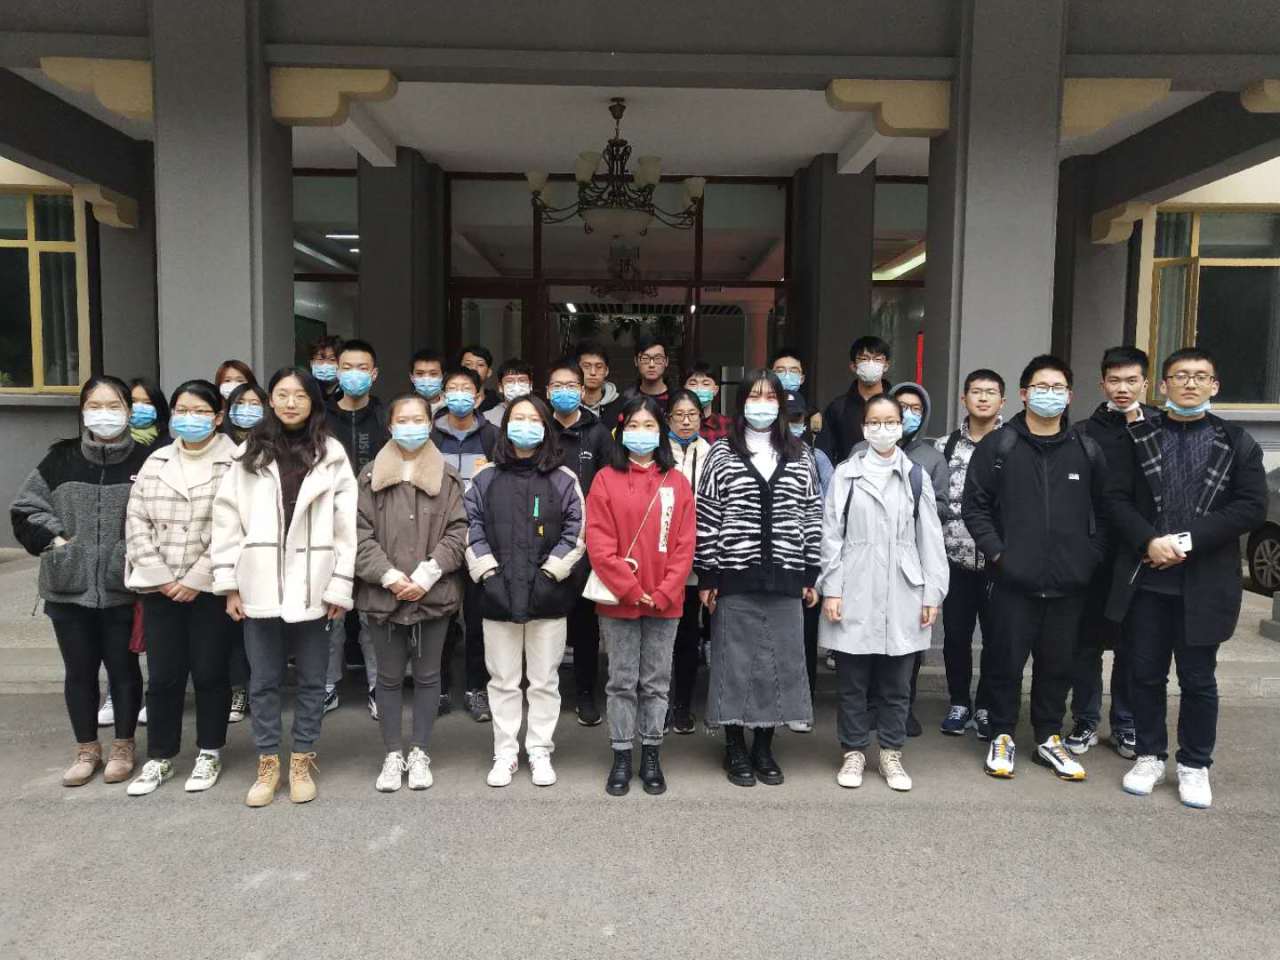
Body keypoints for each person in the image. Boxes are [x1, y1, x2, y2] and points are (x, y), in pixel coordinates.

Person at [1108, 348, 1266, 809]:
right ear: (1163, 386)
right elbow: (1115, 499)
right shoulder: (1138, 436)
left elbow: (1251, 506)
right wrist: (1148, 540)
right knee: (1145, 674)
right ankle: (1150, 755)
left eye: (1200, 377)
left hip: (1205, 581)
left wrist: (1185, 541)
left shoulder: (1236, 442)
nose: (1190, 384)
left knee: (1198, 679)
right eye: (1180, 376)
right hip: (1148, 578)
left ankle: (1195, 764)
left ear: (1214, 386)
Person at [211, 367, 357, 807]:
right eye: (282, 394)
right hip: (259, 583)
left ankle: (301, 760)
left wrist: (340, 584)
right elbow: (226, 522)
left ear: (313, 402)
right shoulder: (247, 453)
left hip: (315, 584)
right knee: (263, 681)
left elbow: (346, 526)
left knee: (312, 680)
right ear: (270, 401)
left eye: (300, 395)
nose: (291, 403)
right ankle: (268, 761)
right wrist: (229, 584)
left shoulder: (331, 453)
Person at [962, 355, 1108, 782]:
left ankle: (1048, 736)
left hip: (1068, 583)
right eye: (1041, 387)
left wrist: (1089, 557)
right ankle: (1002, 733)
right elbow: (975, 507)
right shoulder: (999, 446)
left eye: (1058, 388)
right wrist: (999, 555)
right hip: (1012, 581)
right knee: (1004, 662)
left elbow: (1105, 510)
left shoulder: (1086, 448)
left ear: (1070, 396)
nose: (1050, 395)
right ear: (1024, 394)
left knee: (1057, 665)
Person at [11, 375, 150, 787]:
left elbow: (160, 514)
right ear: (83, 411)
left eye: (113, 406)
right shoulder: (61, 459)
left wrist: (130, 551)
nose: (104, 414)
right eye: (95, 405)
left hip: (123, 586)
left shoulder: (147, 461)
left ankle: (123, 745)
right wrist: (57, 541)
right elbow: (25, 508)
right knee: (79, 671)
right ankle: (87, 748)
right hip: (67, 586)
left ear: (129, 411)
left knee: (124, 670)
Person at [695, 369, 822, 787]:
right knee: (734, 664)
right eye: (754, 396)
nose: (762, 404)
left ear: (781, 404)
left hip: (786, 574)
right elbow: (707, 515)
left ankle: (764, 746)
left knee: (776, 664)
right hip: (733, 575)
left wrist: (810, 571)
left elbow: (812, 513)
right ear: (741, 403)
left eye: (770, 397)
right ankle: (734, 745)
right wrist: (708, 574)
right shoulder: (721, 453)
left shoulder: (800, 453)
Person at [820, 394, 948, 792]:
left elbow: (930, 539)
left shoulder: (915, 476)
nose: (883, 429)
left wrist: (931, 594)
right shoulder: (846, 474)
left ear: (903, 424)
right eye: (874, 422)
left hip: (903, 589)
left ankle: (891, 752)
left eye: (891, 421)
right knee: (853, 683)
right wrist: (832, 589)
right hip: (855, 586)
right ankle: (854, 751)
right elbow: (831, 536)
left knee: (897, 683)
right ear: (864, 427)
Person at [463, 395, 586, 789]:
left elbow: (576, 532)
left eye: (534, 419)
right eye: (518, 418)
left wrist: (550, 575)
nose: (526, 425)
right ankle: (505, 752)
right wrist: (488, 574)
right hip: (497, 593)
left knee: (544, 680)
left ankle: (539, 749)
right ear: (505, 426)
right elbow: (469, 527)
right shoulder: (484, 478)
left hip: (548, 595)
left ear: (546, 428)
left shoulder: (564, 479)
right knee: (502, 679)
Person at [123, 379, 237, 796]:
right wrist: (163, 577)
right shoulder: (156, 461)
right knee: (164, 676)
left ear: (218, 417)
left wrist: (195, 578)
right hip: (160, 587)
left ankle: (209, 750)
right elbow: (136, 521)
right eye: (182, 411)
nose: (190, 419)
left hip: (210, 586)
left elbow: (236, 527)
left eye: (200, 411)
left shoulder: (237, 462)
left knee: (210, 672)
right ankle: (160, 756)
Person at [355, 393, 469, 793]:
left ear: (430, 424)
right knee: (388, 679)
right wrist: (388, 576)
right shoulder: (369, 477)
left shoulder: (448, 477)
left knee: (428, 676)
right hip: (383, 595)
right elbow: (357, 533)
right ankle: (392, 753)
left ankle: (419, 751)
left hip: (432, 593)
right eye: (402, 420)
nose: (410, 426)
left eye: (418, 419)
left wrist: (426, 574)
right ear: (389, 426)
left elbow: (458, 531)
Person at [586, 395, 696, 796]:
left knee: (655, 682)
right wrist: (631, 589)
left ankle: (651, 753)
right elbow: (599, 542)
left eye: (649, 426)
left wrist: (665, 590)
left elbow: (685, 543)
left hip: (666, 601)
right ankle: (620, 754)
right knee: (620, 680)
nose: (641, 433)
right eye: (633, 426)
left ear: (661, 432)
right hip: (619, 600)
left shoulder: (677, 482)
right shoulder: (605, 479)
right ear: (621, 431)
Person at [1064, 347, 1155, 759]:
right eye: (1115, 381)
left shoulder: (1158, 428)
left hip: (1142, 554)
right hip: (1094, 554)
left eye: (1131, 381)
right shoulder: (1084, 432)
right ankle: (1085, 719)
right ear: (1102, 384)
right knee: (1085, 643)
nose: (1123, 389)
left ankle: (1125, 722)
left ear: (1145, 383)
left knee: (1131, 643)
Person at [850, 381, 950, 737]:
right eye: (900, 409)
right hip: (866, 564)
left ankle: (900, 714)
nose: (905, 416)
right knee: (865, 644)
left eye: (914, 410)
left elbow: (939, 512)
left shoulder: (929, 460)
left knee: (904, 648)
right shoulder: (857, 455)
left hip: (907, 564)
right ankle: (867, 715)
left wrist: (908, 508)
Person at [934, 369, 1005, 739]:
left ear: (1002, 401)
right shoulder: (943, 447)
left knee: (997, 638)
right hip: (954, 559)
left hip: (999, 562)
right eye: (976, 391)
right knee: (956, 636)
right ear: (964, 399)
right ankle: (959, 702)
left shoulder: (1013, 443)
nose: (983, 398)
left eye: (990, 392)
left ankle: (988, 707)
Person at [545, 357, 614, 726]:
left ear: (582, 388)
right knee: (547, 620)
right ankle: (547, 692)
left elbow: (609, 485)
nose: (565, 392)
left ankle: (586, 693)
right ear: (547, 391)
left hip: (587, 540)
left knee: (586, 625)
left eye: (571, 386)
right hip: (545, 539)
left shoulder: (597, 433)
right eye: (557, 386)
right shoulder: (539, 428)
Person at [323, 338, 388, 718]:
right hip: (327, 525)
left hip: (374, 526)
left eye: (362, 368)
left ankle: (379, 686)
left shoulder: (384, 417)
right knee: (329, 609)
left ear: (374, 374)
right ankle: (327, 684)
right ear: (336, 371)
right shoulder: (320, 417)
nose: (354, 375)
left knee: (372, 611)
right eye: (346, 367)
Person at [431, 367, 499, 722]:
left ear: (479, 396)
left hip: (480, 539)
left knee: (478, 619)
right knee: (439, 616)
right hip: (439, 539)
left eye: (466, 389)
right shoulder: (429, 435)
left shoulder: (493, 437)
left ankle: (477, 688)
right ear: (443, 396)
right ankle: (439, 688)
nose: (459, 395)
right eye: (452, 388)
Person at [783, 389, 833, 733]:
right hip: (772, 562)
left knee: (804, 637)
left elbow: (829, 512)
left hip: (806, 560)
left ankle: (802, 704)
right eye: (787, 419)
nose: (792, 425)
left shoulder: (818, 459)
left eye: (797, 419)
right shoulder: (760, 454)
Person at [220, 381, 269, 724]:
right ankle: (237, 688)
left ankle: (255, 689)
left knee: (257, 636)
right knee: (229, 633)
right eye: (242, 403)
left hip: (260, 556)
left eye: (256, 403)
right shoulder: (221, 448)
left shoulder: (272, 448)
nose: (249, 410)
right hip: (224, 551)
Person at [665, 389, 712, 735]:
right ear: (668, 418)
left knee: (687, 635)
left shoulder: (712, 454)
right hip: (659, 559)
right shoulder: (655, 451)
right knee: (659, 636)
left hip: (696, 561)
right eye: (679, 415)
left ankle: (682, 704)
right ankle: (659, 704)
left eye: (692, 415)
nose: (685, 421)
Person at [816, 335, 893, 464]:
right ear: (853, 366)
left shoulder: (896, 403)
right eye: (864, 359)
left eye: (878, 359)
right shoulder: (838, 408)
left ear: (886, 365)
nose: (871, 363)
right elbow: (825, 454)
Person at [603, 334, 672, 429]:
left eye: (658, 358)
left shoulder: (677, 399)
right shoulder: (624, 400)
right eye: (645, 358)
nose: (651, 364)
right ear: (636, 361)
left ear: (666, 361)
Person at [483, 357, 535, 427]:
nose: (516, 386)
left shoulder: (540, 414)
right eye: (510, 381)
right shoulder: (487, 418)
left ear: (530, 385)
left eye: (522, 380)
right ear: (500, 387)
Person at [685, 361, 728, 443]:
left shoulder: (727, 425)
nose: (699, 388)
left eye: (705, 384)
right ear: (685, 389)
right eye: (693, 384)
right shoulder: (675, 425)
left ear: (715, 390)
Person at [575, 339, 619, 420]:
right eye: (586, 366)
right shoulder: (568, 404)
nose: (593, 372)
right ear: (576, 369)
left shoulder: (621, 405)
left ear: (606, 371)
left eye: (599, 367)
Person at [459, 343, 502, 415]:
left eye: (480, 365)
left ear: (489, 372)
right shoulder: (451, 402)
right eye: (468, 364)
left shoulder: (497, 406)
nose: (473, 369)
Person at [127, 378, 169, 449]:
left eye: (148, 403)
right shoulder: (113, 442)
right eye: (133, 401)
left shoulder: (169, 446)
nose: (139, 407)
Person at [409, 347, 447, 416]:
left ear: (443, 377)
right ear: (411, 377)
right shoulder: (403, 406)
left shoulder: (452, 405)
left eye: (433, 374)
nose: (426, 379)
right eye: (420, 373)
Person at [308, 334, 343, 401]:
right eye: (320, 359)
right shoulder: (305, 391)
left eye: (332, 359)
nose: (325, 364)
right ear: (311, 363)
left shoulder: (348, 393)